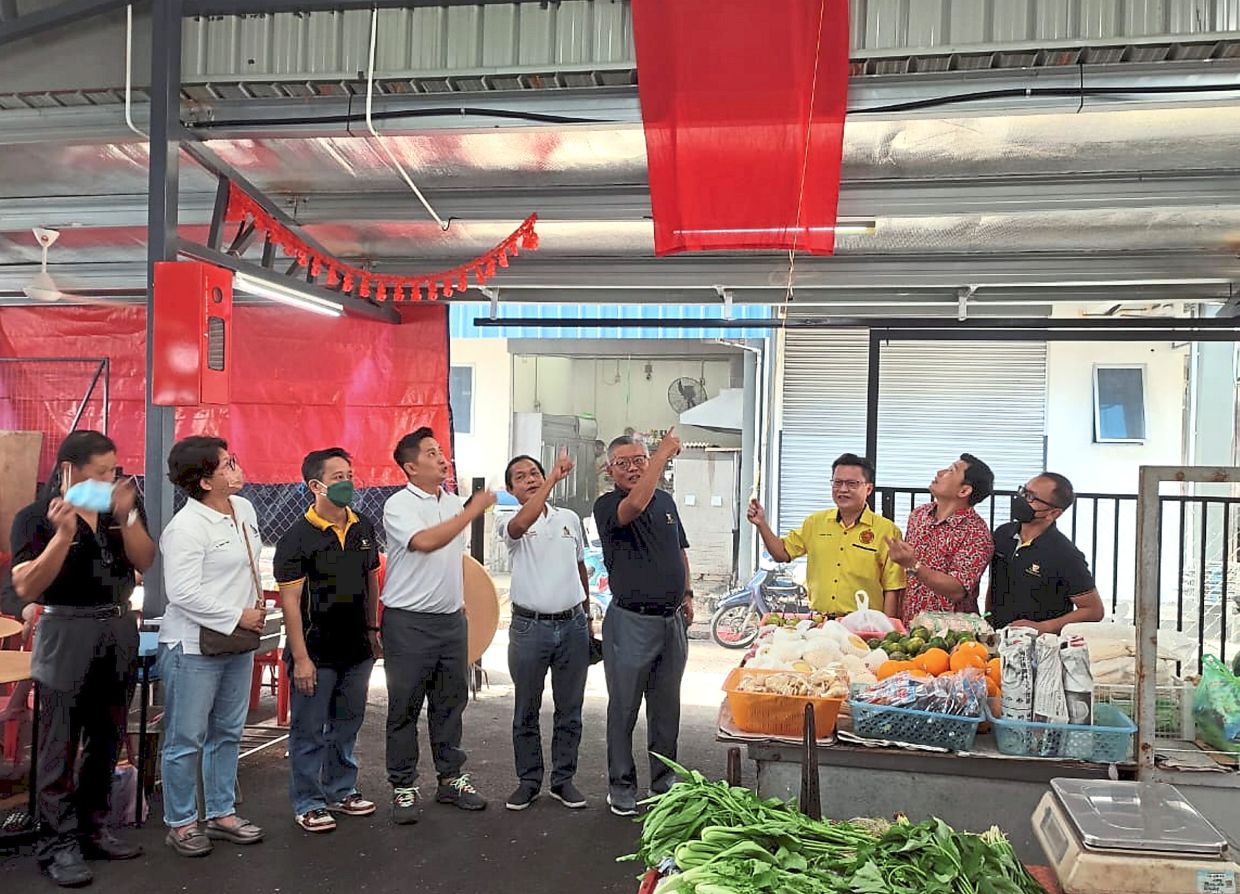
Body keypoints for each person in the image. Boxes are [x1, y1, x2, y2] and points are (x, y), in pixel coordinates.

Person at [9, 431, 154, 887]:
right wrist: (64, 534)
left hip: (116, 624)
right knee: (59, 741)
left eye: (115, 470)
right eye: (102, 473)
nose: (112, 479)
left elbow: (146, 561)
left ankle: (94, 827)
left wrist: (128, 514)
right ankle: (56, 843)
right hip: (64, 626)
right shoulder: (36, 517)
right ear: (69, 470)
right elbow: (28, 587)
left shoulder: (119, 510)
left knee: (106, 736)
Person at [158, 436, 267, 858]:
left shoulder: (244, 509)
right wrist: (237, 615)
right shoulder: (184, 528)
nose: (236, 469)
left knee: (227, 731)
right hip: (193, 646)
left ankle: (221, 812)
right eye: (227, 464)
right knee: (185, 737)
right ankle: (181, 822)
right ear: (205, 481)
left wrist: (245, 617)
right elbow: (182, 592)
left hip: (237, 642)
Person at [380, 427, 494, 824]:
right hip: (408, 623)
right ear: (410, 467)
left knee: (450, 704)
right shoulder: (399, 505)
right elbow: (426, 542)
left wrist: (458, 600)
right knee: (405, 707)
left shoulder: (451, 503)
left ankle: (451, 779)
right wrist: (470, 511)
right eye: (431, 453)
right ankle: (404, 786)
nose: (441, 458)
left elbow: (452, 560)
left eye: (441, 450)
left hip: (449, 621)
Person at [274, 448, 381, 833]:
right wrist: (301, 658)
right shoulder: (296, 538)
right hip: (315, 651)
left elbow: (371, 578)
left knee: (347, 724)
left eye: (349, 474)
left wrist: (373, 631)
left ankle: (341, 788)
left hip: (357, 648)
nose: (347, 482)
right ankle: (308, 800)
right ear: (315, 486)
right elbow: (289, 603)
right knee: (308, 729)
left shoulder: (363, 526)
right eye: (337, 477)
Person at [593, 428, 691, 817]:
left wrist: (687, 594)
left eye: (640, 460)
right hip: (630, 621)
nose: (634, 468)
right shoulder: (607, 505)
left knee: (666, 708)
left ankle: (664, 782)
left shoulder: (666, 501)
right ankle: (621, 785)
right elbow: (633, 507)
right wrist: (662, 456)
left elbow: (679, 550)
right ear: (609, 470)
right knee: (624, 708)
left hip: (671, 622)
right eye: (624, 463)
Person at [500, 452, 591, 812]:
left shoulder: (568, 519)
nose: (532, 479)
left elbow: (579, 564)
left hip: (573, 625)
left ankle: (563, 780)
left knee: (570, 710)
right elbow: (521, 525)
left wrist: (587, 614)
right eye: (521, 477)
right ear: (511, 489)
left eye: (535, 473)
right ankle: (529, 780)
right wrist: (553, 478)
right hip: (529, 628)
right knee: (527, 708)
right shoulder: (511, 522)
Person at [747, 453, 905, 617]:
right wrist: (761, 523)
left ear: (869, 489)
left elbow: (892, 588)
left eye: (852, 484)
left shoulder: (887, 531)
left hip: (865, 625)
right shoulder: (814, 523)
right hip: (821, 621)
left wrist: (887, 630)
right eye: (837, 483)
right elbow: (781, 553)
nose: (843, 489)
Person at [987, 472, 1106, 633]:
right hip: (996, 636)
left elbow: (1093, 610)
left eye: (1030, 497)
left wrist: (1043, 627)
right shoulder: (1003, 534)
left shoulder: (1065, 554)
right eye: (1023, 491)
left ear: (1053, 513)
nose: (1021, 499)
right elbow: (994, 581)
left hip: (1041, 646)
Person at [885, 454, 996, 625]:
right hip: (909, 625)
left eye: (951, 471)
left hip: (950, 634)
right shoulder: (919, 514)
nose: (939, 472)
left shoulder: (977, 533)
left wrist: (913, 565)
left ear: (964, 491)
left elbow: (957, 590)